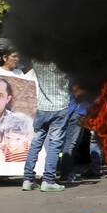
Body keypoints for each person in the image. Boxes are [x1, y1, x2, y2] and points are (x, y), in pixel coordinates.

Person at [22, 61, 72, 192]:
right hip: (61, 106)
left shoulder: (36, 61)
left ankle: (27, 180)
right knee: (55, 145)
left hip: (42, 108)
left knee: (36, 142)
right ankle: (48, 180)